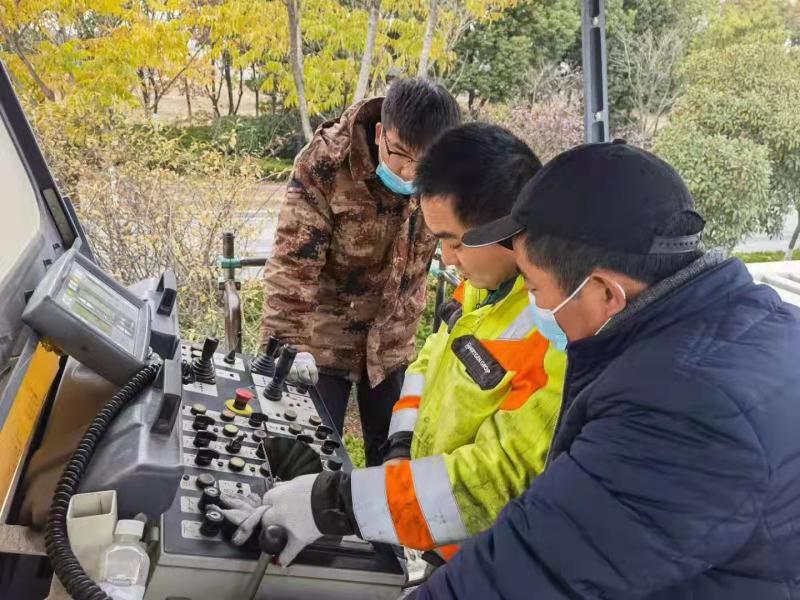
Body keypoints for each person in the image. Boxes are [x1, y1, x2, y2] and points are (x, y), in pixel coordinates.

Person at [409, 140, 800, 600]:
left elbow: (534, 569)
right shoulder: (761, 321)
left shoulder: (678, 410)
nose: (537, 305)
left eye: (535, 288)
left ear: (605, 294)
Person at [215, 123, 567, 566]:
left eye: (454, 243)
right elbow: (428, 365)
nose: (447, 260)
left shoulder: (555, 333)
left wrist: (335, 503)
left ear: (506, 228)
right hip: (426, 526)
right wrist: (402, 444)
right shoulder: (481, 286)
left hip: (480, 556)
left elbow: (496, 481)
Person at [259, 78, 461, 467]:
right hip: (320, 340)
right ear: (382, 133)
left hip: (393, 340)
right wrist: (287, 348)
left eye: (426, 163)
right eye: (399, 154)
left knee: (397, 461)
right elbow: (291, 267)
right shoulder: (326, 163)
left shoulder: (451, 169)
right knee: (305, 458)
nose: (408, 172)